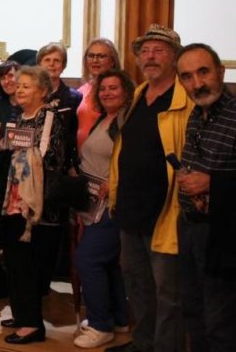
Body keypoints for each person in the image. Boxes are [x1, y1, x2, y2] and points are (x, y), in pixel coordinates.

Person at [107, 24, 192, 352]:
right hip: (130, 211)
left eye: (159, 50)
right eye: (145, 51)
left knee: (168, 296)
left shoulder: (186, 100)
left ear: (174, 56)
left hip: (167, 213)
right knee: (138, 289)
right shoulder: (141, 93)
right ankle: (142, 344)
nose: (150, 56)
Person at [0, 65, 65, 345]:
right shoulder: (18, 117)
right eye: (19, 84)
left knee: (29, 265)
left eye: (26, 85)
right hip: (12, 199)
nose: (19, 88)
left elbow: (53, 160)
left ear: (43, 91)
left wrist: (23, 152)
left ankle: (32, 325)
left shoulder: (49, 117)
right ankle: (21, 313)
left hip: (36, 204)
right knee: (13, 260)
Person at [175, 43, 236, 352]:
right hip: (189, 227)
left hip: (222, 236)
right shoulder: (196, 116)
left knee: (220, 324)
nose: (197, 84)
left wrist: (212, 183)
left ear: (221, 72)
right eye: (187, 77)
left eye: (203, 72)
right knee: (193, 314)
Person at [73, 69, 133, 348]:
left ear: (127, 92)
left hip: (113, 204)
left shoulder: (128, 121)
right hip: (93, 202)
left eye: (114, 88)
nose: (108, 92)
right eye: (104, 89)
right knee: (108, 264)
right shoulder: (102, 119)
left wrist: (116, 181)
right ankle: (119, 318)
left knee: (89, 260)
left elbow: (135, 160)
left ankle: (100, 325)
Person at [37, 42, 81, 169]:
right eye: (47, 60)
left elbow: (74, 133)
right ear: (40, 65)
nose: (51, 64)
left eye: (57, 60)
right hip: (34, 162)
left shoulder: (74, 97)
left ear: (63, 66)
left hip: (62, 163)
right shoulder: (31, 94)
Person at [76, 38, 120, 151]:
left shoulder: (120, 90)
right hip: (82, 160)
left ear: (112, 61)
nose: (95, 60)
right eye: (91, 56)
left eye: (101, 56)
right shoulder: (82, 90)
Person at [0, 60, 20, 154]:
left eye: (11, 76)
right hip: (4, 159)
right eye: (3, 78)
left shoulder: (29, 104)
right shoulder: (0, 104)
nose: (7, 81)